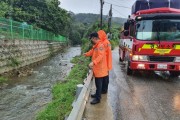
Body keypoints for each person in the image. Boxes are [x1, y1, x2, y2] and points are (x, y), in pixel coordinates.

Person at [84, 32, 108, 104]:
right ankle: (97, 94)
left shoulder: (100, 46)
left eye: (91, 38)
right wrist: (86, 54)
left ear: (94, 38)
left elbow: (100, 56)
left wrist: (93, 62)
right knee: (97, 83)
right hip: (98, 69)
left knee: (98, 84)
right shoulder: (96, 46)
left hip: (100, 69)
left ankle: (98, 99)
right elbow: (92, 52)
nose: (91, 40)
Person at [98, 30, 112, 94]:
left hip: (105, 63)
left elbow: (101, 53)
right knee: (106, 77)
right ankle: (104, 90)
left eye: (99, 36)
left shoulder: (104, 43)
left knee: (104, 78)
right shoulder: (107, 42)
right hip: (107, 62)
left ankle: (104, 90)